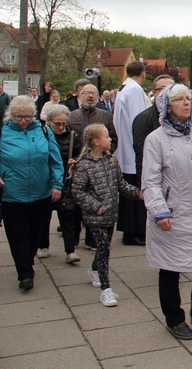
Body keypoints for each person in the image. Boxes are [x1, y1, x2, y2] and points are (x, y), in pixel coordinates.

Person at [141, 84, 192, 340]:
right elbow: (150, 181)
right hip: (173, 213)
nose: (187, 103)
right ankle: (174, 319)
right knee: (171, 267)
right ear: (166, 106)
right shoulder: (155, 140)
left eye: (189, 98)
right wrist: (159, 210)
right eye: (180, 99)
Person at [0, 95, 64, 291]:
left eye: (27, 117)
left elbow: (55, 161)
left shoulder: (43, 131)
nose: (23, 121)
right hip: (11, 195)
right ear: (11, 115)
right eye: (18, 117)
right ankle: (25, 274)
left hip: (41, 194)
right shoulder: (0, 134)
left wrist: (57, 185)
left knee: (35, 234)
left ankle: (27, 260)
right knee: (18, 236)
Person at [72, 124, 142, 307]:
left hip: (110, 215)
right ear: (96, 142)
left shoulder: (111, 161)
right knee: (103, 248)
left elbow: (122, 185)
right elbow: (78, 191)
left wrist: (140, 193)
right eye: (107, 136)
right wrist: (97, 207)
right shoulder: (84, 165)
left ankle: (94, 269)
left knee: (104, 247)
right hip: (95, 217)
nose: (111, 139)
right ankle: (106, 289)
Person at [113, 61, 151, 246]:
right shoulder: (134, 90)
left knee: (129, 195)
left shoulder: (124, 88)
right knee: (135, 193)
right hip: (133, 149)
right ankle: (134, 232)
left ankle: (131, 231)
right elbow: (139, 121)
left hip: (125, 148)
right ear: (142, 73)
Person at [39, 104, 83, 264]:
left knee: (68, 216)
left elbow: (82, 154)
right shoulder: (41, 135)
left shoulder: (72, 136)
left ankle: (70, 251)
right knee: (43, 217)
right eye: (57, 123)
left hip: (66, 180)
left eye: (64, 123)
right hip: (45, 182)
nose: (61, 127)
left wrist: (76, 161)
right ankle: (43, 246)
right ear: (48, 121)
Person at [69, 84, 118, 152]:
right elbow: (67, 142)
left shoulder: (106, 116)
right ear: (81, 96)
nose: (90, 96)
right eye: (87, 93)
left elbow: (113, 140)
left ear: (98, 97)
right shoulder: (72, 116)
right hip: (77, 160)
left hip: (100, 160)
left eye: (94, 94)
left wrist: (104, 156)